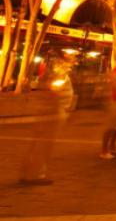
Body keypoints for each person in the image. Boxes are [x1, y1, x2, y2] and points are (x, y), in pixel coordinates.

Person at [19, 50, 75, 185]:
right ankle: (35, 175)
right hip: (52, 114)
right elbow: (54, 94)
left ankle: (27, 173)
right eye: (69, 61)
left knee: (37, 144)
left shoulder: (49, 75)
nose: (71, 64)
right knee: (44, 146)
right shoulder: (58, 77)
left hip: (47, 113)